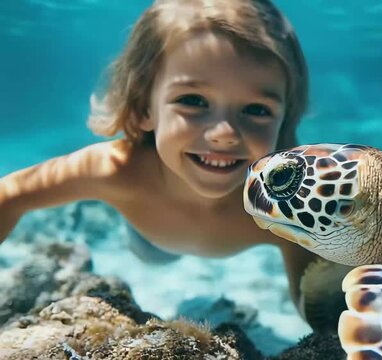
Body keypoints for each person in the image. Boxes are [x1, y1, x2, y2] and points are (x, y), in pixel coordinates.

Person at [0, 0, 348, 332]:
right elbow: (10, 193)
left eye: (257, 110)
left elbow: (317, 307)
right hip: (148, 241)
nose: (225, 134)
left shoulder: (284, 209)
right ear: (143, 108)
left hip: (168, 231)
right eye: (193, 101)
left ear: (284, 120)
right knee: (152, 257)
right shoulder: (117, 170)